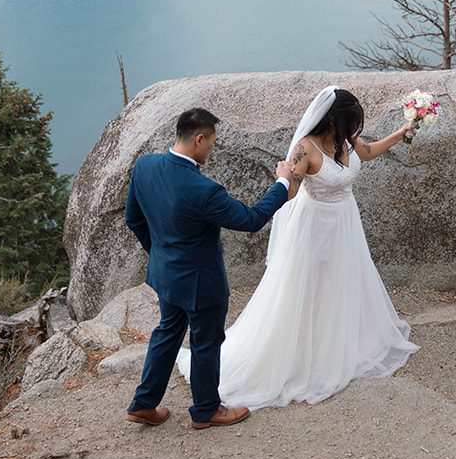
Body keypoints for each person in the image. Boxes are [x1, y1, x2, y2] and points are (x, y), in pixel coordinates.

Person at [177, 86, 419, 410]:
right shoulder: (305, 149)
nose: (354, 132)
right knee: (310, 286)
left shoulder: (345, 140)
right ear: (333, 120)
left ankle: (338, 340)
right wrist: (284, 177)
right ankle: (305, 351)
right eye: (349, 124)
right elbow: (290, 190)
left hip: (345, 221)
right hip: (315, 225)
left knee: (342, 281)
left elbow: (370, 150)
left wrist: (402, 133)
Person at [123, 107, 300, 430]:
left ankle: (143, 403)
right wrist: (282, 183)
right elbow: (250, 220)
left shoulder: (145, 166)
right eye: (212, 143)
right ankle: (206, 410)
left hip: (166, 275)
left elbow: (133, 218)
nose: (212, 150)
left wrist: (160, 254)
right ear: (199, 138)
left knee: (167, 332)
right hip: (201, 281)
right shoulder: (203, 190)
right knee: (206, 340)